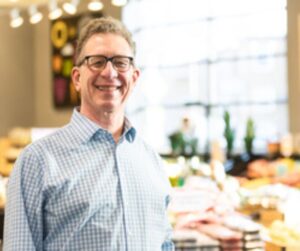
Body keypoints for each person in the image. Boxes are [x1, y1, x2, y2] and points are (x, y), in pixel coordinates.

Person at [3, 17, 174, 251]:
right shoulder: (37, 161)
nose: (110, 72)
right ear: (76, 78)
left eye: (121, 62)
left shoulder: (151, 161)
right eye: (97, 61)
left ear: (134, 78)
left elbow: (164, 244)